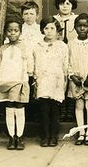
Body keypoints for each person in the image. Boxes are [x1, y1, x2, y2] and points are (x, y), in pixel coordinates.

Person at [0, 17, 33, 150]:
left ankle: (20, 136)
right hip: (6, 82)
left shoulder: (24, 48)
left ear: (20, 32)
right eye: (10, 31)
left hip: (19, 81)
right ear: (5, 33)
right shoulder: (2, 49)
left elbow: (29, 65)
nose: (13, 33)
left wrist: (27, 77)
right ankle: (11, 137)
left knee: (19, 107)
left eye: (16, 30)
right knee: (9, 108)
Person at [33, 17, 69, 147]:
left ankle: (53, 136)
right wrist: (36, 78)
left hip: (57, 79)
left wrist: (64, 80)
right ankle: (45, 136)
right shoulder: (37, 46)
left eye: (52, 28)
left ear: (57, 30)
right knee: (44, 108)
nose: (49, 31)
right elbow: (35, 62)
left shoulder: (62, 46)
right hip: (43, 79)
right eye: (46, 28)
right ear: (42, 30)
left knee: (54, 109)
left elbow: (65, 65)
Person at [67, 14, 88, 146]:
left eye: (85, 26)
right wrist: (72, 75)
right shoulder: (71, 43)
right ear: (75, 27)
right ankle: (81, 132)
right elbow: (66, 61)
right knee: (79, 105)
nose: (82, 28)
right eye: (79, 26)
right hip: (76, 79)